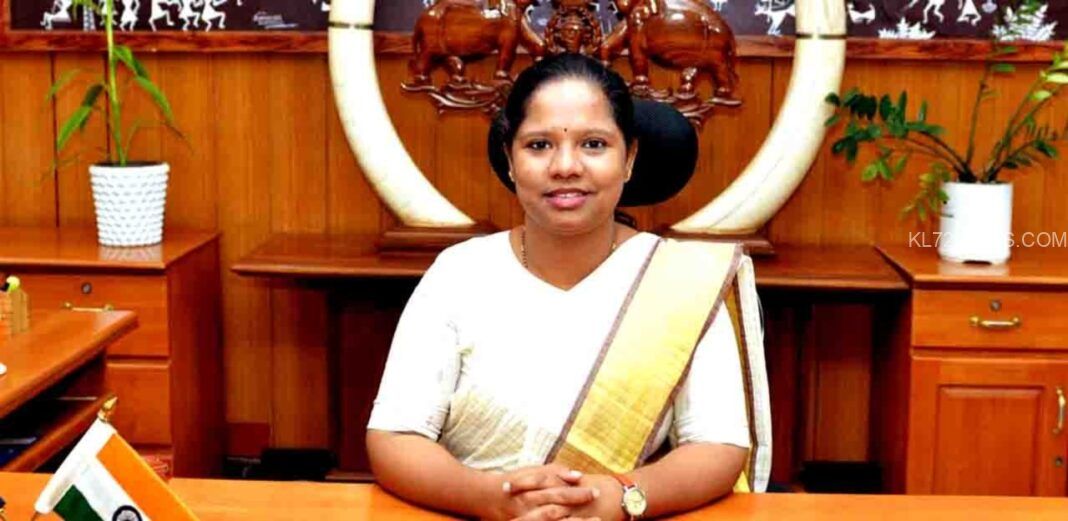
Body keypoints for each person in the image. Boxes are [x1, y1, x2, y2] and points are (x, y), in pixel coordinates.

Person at [367, 53, 759, 520]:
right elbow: (395, 436)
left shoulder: (680, 279)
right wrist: (489, 498)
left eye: (594, 144)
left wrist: (616, 498)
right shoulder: (459, 273)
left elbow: (718, 444)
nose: (566, 166)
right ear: (510, 160)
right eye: (539, 145)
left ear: (629, 158)